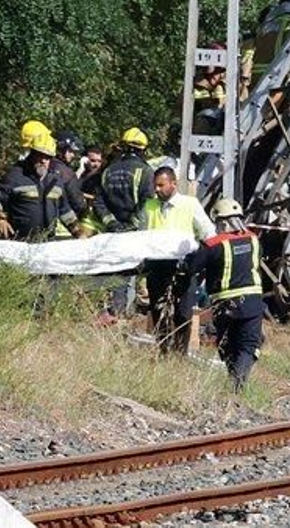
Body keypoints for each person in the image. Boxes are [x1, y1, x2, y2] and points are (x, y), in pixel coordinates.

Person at [179, 199, 265, 388]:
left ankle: (233, 381)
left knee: (227, 343)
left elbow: (190, 267)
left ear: (219, 221)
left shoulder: (213, 245)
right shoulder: (254, 239)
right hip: (252, 301)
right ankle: (237, 383)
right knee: (249, 344)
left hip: (224, 304)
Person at [138, 166, 214, 352]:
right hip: (157, 266)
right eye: (155, 185)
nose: (157, 189)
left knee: (183, 312)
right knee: (158, 310)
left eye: (161, 185)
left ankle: (180, 353)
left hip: (183, 266)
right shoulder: (150, 206)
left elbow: (208, 233)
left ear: (174, 184)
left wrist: (202, 260)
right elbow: (142, 235)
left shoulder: (190, 204)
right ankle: (163, 349)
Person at [0, 133, 77, 241]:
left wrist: (78, 231)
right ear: (32, 154)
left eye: (48, 157)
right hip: (19, 243)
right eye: (40, 155)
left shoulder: (56, 180)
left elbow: (65, 210)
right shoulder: (15, 175)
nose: (43, 161)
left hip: (47, 244)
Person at [93, 128, 153, 232]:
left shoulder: (108, 170)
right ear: (143, 149)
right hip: (137, 233)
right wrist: (132, 224)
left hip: (111, 234)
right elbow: (148, 201)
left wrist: (111, 223)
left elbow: (98, 202)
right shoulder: (145, 171)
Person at [50, 130, 89, 220]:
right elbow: (79, 204)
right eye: (70, 151)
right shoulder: (66, 172)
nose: (73, 155)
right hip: (63, 227)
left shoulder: (40, 167)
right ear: (60, 149)